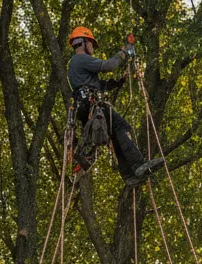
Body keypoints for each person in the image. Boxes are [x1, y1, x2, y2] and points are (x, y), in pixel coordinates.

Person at [67, 26, 163, 184]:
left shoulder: (76, 66)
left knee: (115, 135)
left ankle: (128, 175)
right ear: (83, 42)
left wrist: (117, 83)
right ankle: (138, 164)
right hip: (95, 106)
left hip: (88, 106)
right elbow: (109, 65)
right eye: (91, 43)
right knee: (122, 127)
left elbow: (97, 84)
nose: (92, 47)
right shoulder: (80, 59)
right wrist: (124, 52)